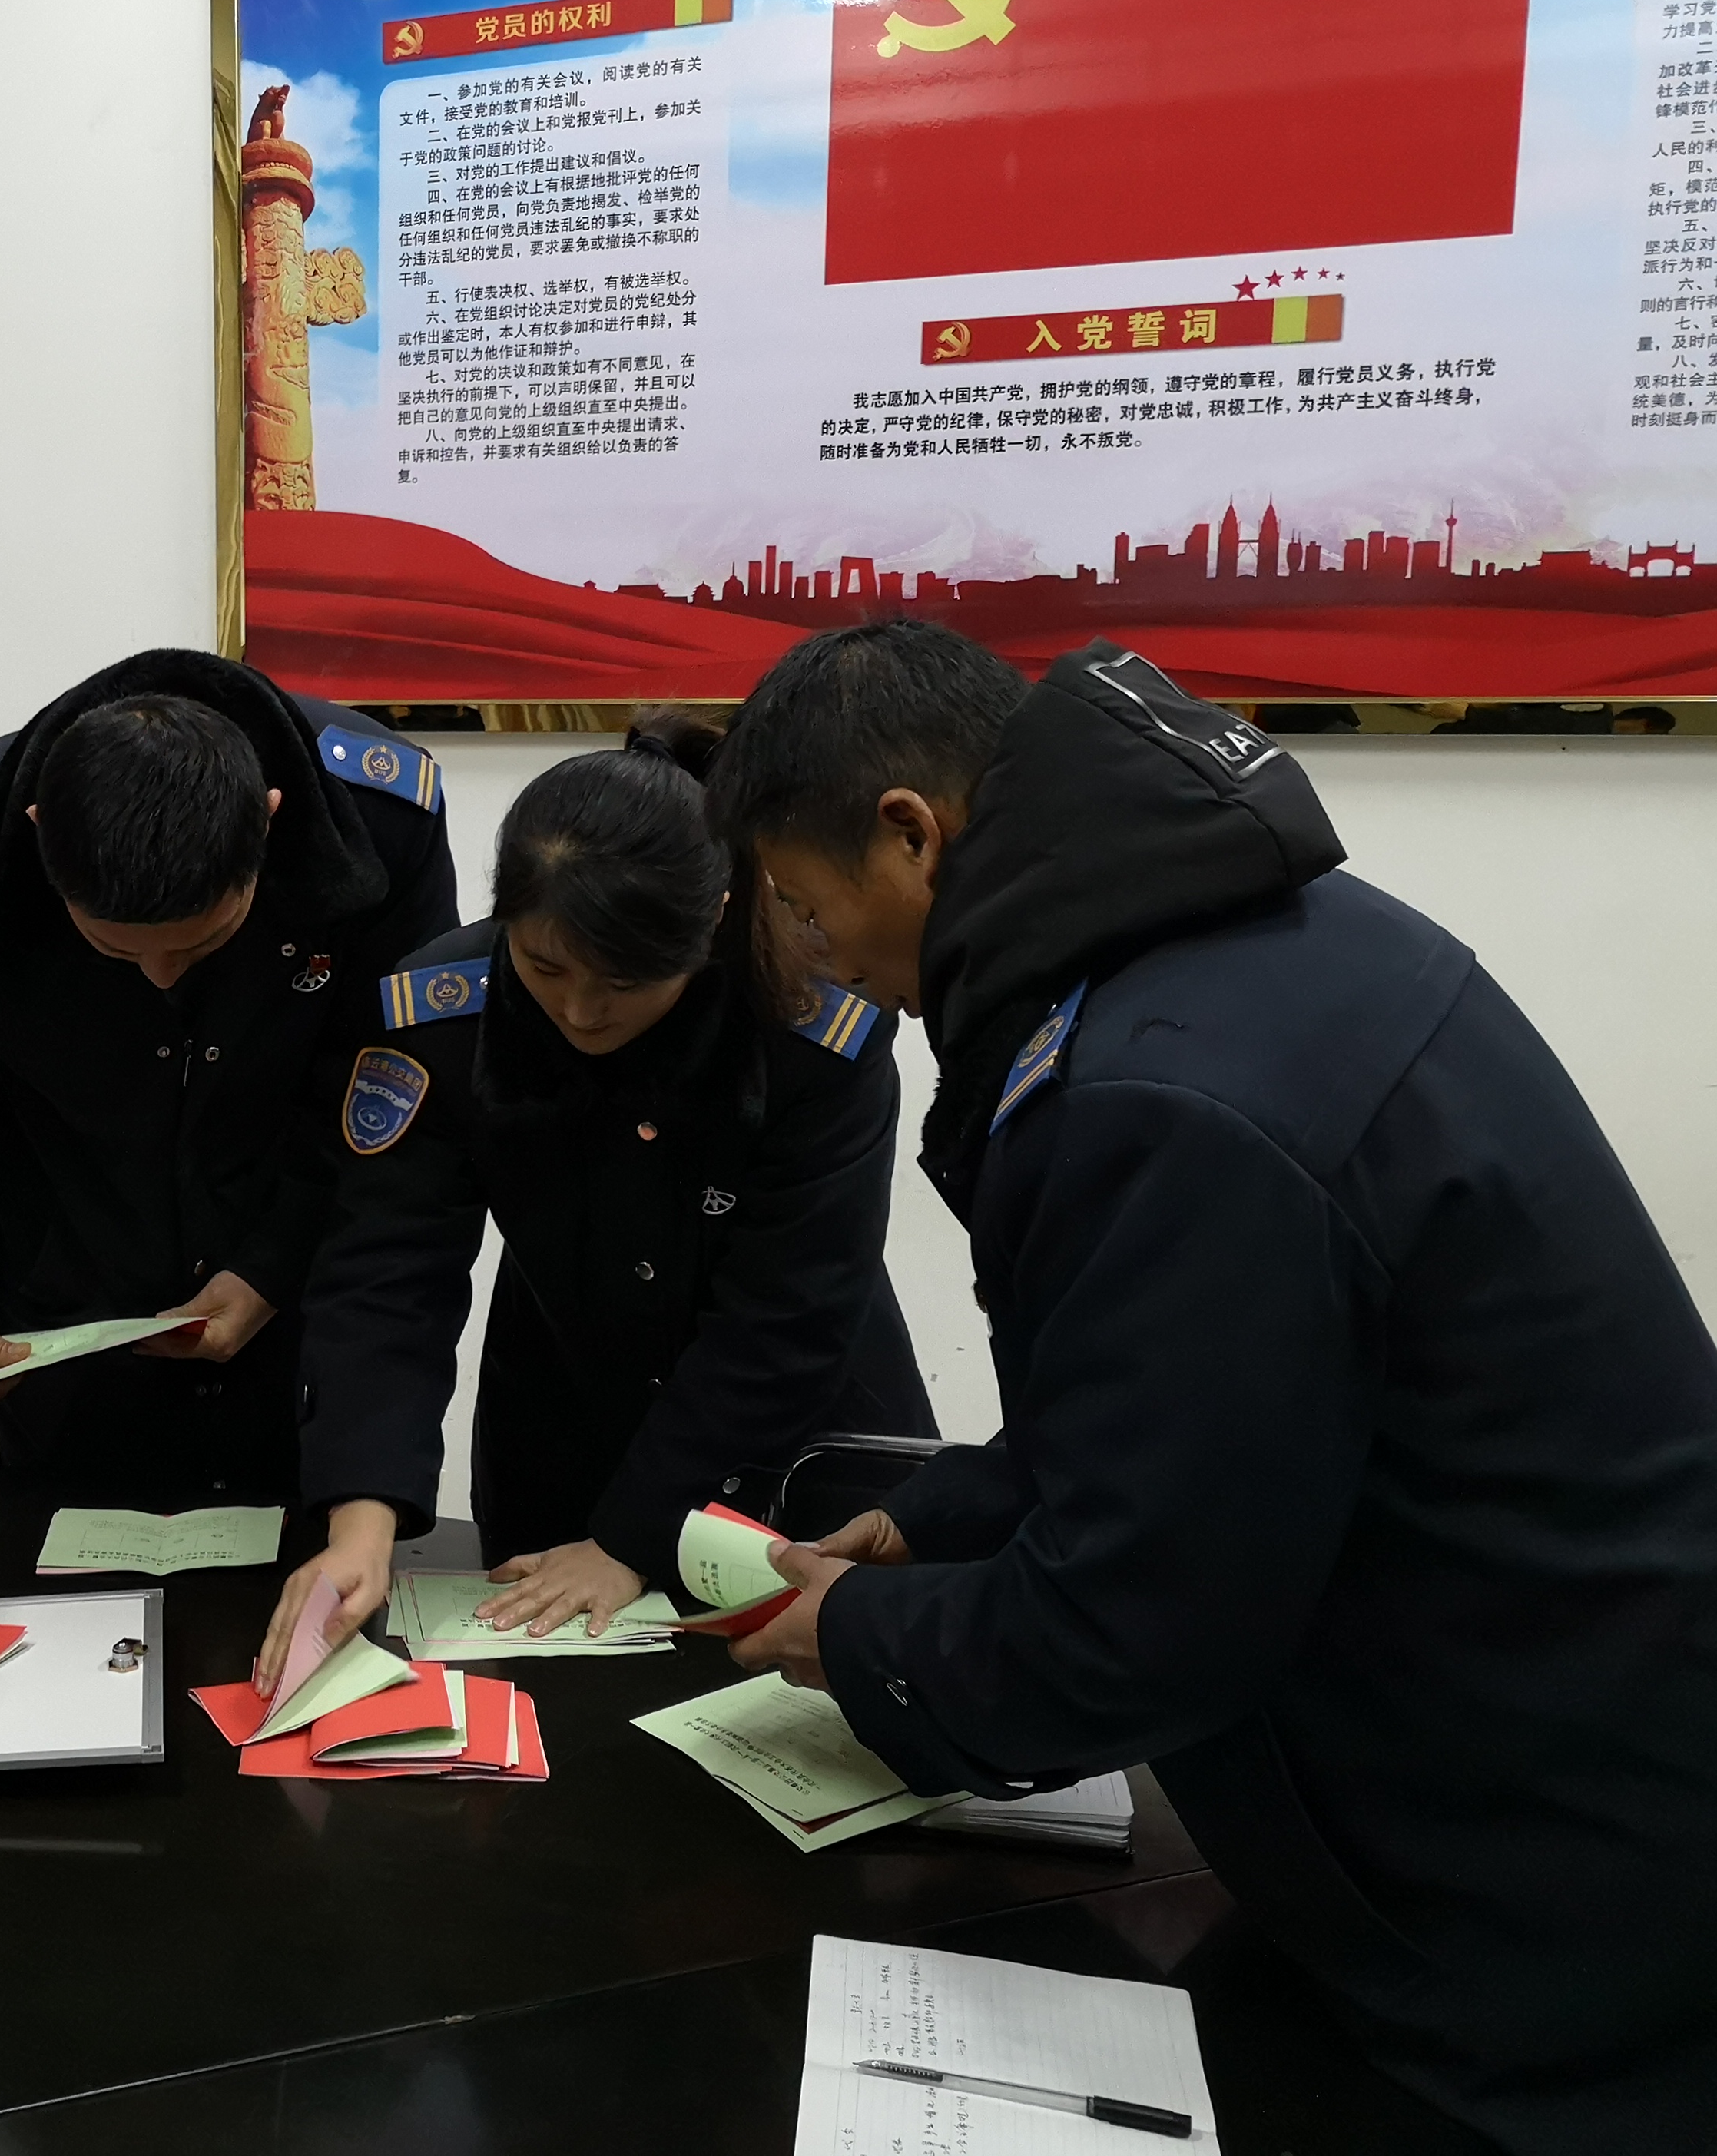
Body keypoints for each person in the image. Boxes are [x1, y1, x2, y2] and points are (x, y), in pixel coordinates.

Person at [704, 624, 1717, 2154]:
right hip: (1536, 1756)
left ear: (910, 834)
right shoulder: (1251, 944)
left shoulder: (1159, 1093)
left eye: (801, 902)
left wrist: (856, 1638)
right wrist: (939, 1519)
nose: (816, 956)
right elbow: (1198, 1412)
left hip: (1528, 1887)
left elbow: (1136, 1628)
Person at [254, 715, 934, 1685]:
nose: (579, 1010)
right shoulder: (438, 1015)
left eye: (625, 982)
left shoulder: (812, 1029)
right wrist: (358, 1524)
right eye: (544, 967)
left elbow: (784, 1318)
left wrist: (632, 1538)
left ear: (713, 920)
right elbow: (387, 1272)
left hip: (794, 1435)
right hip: (562, 1416)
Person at [0, 649, 456, 1509]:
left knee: (309, 1555)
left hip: (305, 1263)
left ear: (268, 823)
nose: (160, 976)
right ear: (40, 832)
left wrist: (270, 1268)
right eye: (115, 949)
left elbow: (388, 1082)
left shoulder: (376, 818)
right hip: (63, 1283)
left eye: (201, 942)